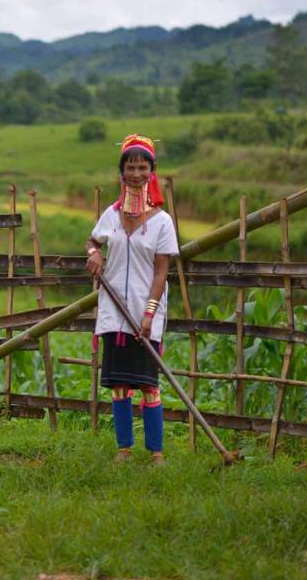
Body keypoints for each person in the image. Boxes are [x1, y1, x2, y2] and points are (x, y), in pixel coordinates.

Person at [85, 134, 179, 464]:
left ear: (152, 172)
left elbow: (160, 273)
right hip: (113, 312)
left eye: (143, 167)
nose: (136, 173)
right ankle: (123, 449)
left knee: (150, 386)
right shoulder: (111, 215)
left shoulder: (162, 222)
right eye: (130, 167)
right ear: (121, 172)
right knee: (119, 386)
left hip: (144, 311)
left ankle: (156, 452)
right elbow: (92, 240)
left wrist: (149, 314)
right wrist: (95, 252)